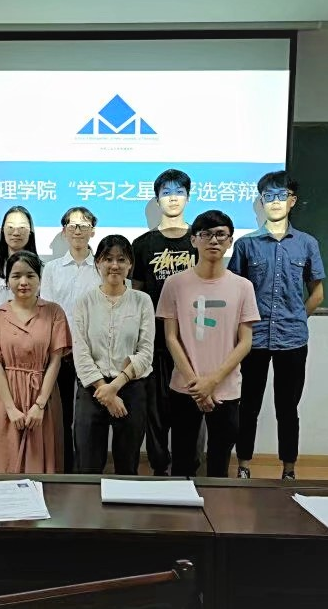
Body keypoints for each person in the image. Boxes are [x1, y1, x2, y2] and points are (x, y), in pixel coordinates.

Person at [227, 171, 325, 480]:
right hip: (253, 339)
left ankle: (289, 470)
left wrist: (297, 317)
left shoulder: (307, 244)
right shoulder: (245, 245)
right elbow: (235, 292)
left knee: (288, 408)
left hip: (292, 339)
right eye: (268, 196)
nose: (275, 202)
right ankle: (244, 466)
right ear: (261, 202)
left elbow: (317, 294)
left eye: (281, 195)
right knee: (248, 406)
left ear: (292, 201)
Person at [157, 211, 260, 477]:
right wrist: (197, 385)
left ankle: (217, 505)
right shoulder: (175, 284)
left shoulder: (243, 287)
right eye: (206, 234)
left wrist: (212, 382)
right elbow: (171, 337)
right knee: (181, 462)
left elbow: (245, 342)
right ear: (193, 240)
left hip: (225, 389)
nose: (213, 240)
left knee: (219, 465)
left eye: (221, 234)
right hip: (185, 388)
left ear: (230, 241)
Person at [0, 251, 71, 473]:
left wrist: (40, 405)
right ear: (7, 280)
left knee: (41, 458)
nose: (23, 282)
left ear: (40, 278)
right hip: (7, 396)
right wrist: (10, 408)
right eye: (16, 276)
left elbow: (55, 361)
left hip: (43, 395)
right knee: (7, 459)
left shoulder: (54, 312)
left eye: (30, 275)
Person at [131, 168, 198, 476]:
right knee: (156, 412)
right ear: (157, 199)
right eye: (166, 193)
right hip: (155, 343)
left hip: (194, 341)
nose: (173, 198)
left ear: (188, 197)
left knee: (191, 408)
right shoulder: (142, 244)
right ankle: (160, 469)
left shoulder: (199, 241)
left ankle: (187, 469)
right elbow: (137, 296)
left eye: (179, 192)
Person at [72, 235, 154, 475]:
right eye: (108, 259)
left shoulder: (142, 301)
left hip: (130, 388)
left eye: (121, 259)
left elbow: (145, 352)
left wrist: (115, 387)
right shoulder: (84, 302)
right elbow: (81, 352)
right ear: (98, 262)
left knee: (127, 465)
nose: (114, 265)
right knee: (88, 465)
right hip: (92, 389)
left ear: (130, 264)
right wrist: (104, 390)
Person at [40, 206, 101, 473]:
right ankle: (64, 469)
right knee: (62, 415)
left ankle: (88, 471)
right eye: (72, 225)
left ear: (93, 231)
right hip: (61, 353)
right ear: (64, 231)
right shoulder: (52, 269)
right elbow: (47, 312)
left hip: (93, 353)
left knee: (90, 418)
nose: (78, 230)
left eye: (84, 225)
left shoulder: (101, 268)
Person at [0, 206, 38, 309]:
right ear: (3, 230)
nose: (16, 233)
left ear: (30, 231)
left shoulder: (43, 270)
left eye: (22, 227)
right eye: (10, 227)